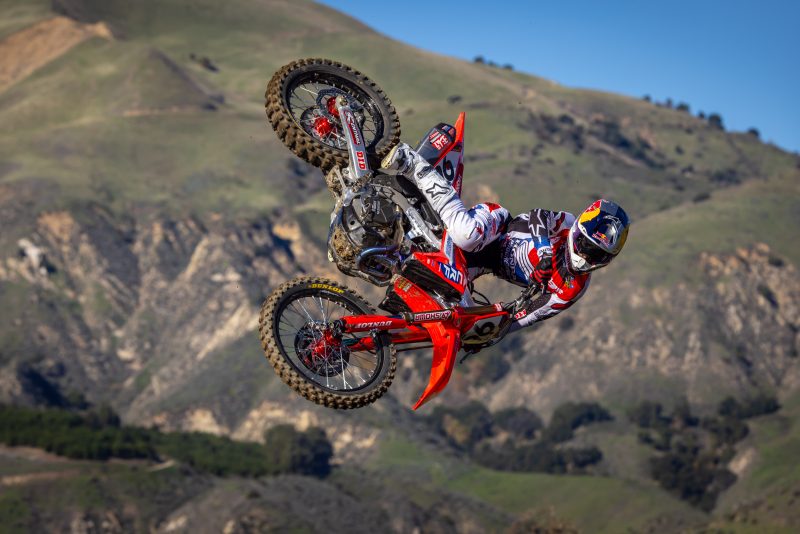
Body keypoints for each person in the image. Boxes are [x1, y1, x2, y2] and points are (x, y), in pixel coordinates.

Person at [382, 143, 630, 332]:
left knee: (457, 311)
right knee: (467, 235)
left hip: (482, 264)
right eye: (587, 246)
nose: (586, 256)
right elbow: (538, 216)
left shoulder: (573, 288)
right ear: (579, 230)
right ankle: (412, 162)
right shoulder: (566, 224)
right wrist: (544, 251)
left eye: (597, 255)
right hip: (497, 229)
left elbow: (528, 316)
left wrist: (493, 331)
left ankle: (386, 266)